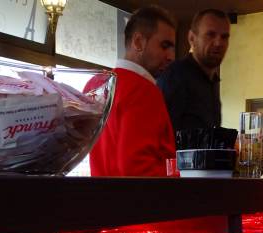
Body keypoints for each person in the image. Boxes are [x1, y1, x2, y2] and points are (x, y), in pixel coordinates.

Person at [89, 5, 177, 177]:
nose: (171, 56)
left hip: (98, 193)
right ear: (138, 42)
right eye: (164, 46)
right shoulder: (144, 91)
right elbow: (138, 170)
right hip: (143, 195)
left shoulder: (94, 84)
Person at [157, 9, 230, 133]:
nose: (218, 43)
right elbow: (159, 134)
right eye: (210, 34)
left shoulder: (213, 81)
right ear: (192, 38)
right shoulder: (175, 76)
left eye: (224, 37)